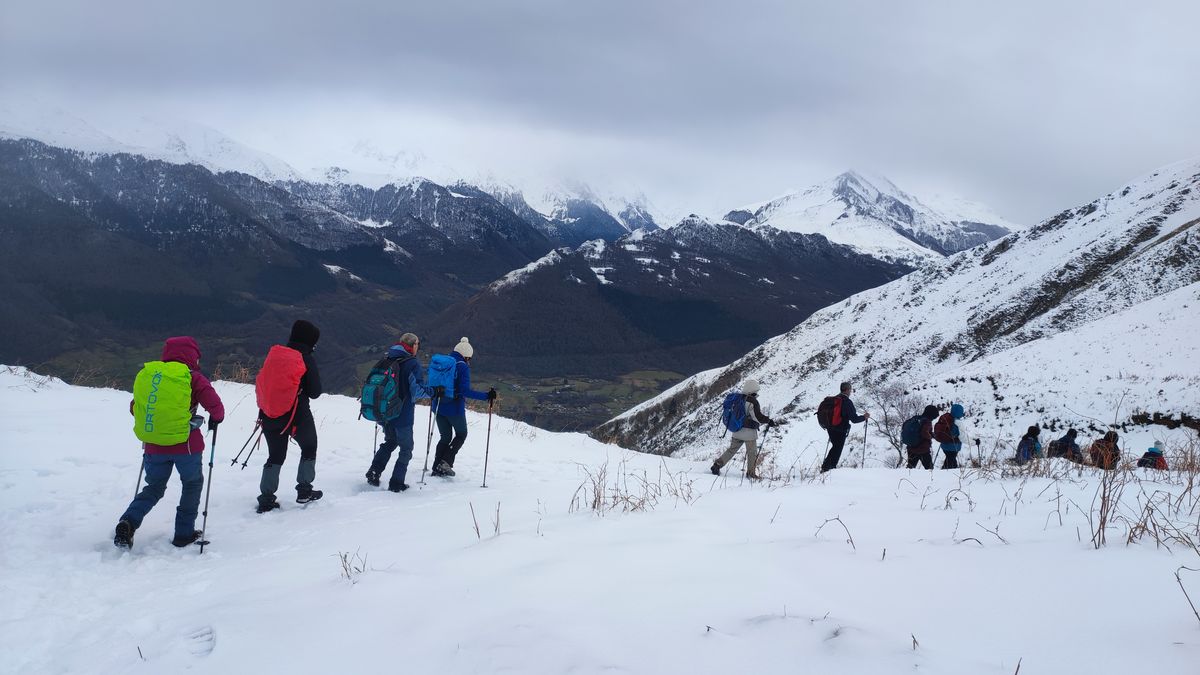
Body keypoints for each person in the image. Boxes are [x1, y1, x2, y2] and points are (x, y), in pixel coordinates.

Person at [114, 337, 225, 549]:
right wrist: (215, 419)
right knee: (191, 484)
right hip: (187, 445)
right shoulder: (192, 377)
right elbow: (216, 407)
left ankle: (128, 521)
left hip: (154, 445)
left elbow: (134, 407)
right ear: (193, 357)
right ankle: (183, 533)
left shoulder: (150, 376)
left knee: (154, 487)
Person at [256, 320, 323, 513]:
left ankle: (266, 499)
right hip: (297, 414)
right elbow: (315, 392)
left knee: (275, 455)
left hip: (269, 413)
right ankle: (304, 491)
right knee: (309, 447)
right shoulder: (306, 358)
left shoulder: (276, 353)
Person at [365, 333, 435, 492]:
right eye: (418, 344)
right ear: (413, 346)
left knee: (390, 441)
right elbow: (416, 391)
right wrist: (433, 392)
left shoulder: (387, 359)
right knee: (406, 448)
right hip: (402, 414)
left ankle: (374, 472)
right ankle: (396, 482)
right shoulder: (412, 364)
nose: (418, 347)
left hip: (384, 412)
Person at [430, 337, 497, 477]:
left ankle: (436, 466)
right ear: (467, 356)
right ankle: (445, 463)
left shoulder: (444, 362)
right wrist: (487, 396)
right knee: (461, 434)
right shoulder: (462, 366)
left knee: (445, 437)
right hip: (454, 408)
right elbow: (465, 391)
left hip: (438, 405)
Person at [711, 379, 778, 480]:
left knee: (731, 450)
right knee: (752, 453)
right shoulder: (752, 401)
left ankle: (717, 465)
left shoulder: (738, 398)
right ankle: (751, 473)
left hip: (736, 429)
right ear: (753, 390)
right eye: (756, 391)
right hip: (749, 432)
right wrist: (768, 421)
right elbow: (757, 416)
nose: (757, 393)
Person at [821, 381, 869, 472]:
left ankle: (826, 467)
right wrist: (864, 417)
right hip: (840, 429)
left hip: (830, 427)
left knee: (835, 447)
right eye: (850, 390)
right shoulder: (846, 401)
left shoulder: (835, 399)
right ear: (846, 390)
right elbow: (854, 419)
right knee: (837, 449)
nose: (850, 392)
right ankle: (829, 469)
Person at [905, 405, 939, 469]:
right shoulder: (927, 422)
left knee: (910, 468)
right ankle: (929, 479)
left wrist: (931, 434)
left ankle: (906, 478)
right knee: (929, 469)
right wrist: (930, 437)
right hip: (922, 449)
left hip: (911, 447)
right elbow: (925, 433)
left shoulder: (916, 418)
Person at [934, 403, 966, 469]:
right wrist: (974, 442)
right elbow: (963, 438)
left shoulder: (946, 418)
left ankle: (949, 475)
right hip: (953, 447)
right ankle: (943, 476)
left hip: (944, 446)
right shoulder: (958, 423)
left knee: (951, 462)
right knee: (949, 464)